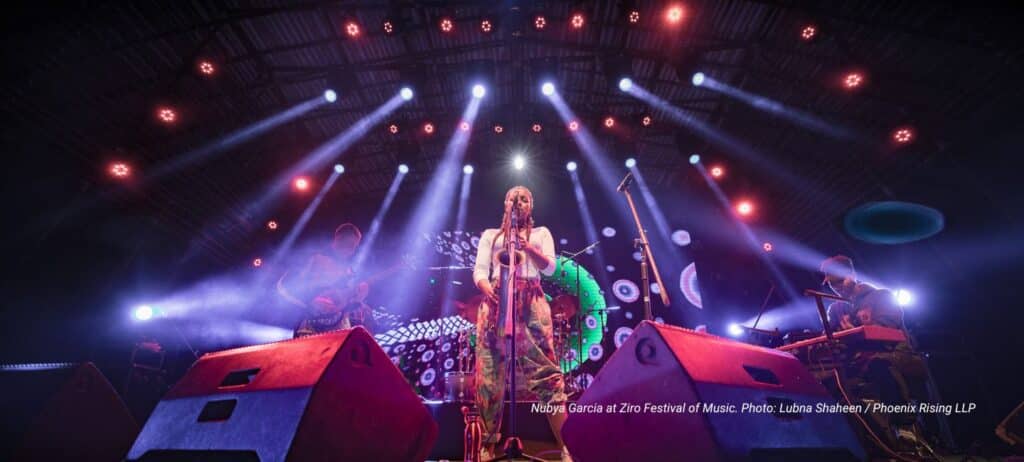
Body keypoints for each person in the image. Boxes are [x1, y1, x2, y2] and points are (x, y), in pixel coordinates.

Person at [473, 186, 570, 461]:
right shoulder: (491, 236)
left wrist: (527, 247)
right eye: (513, 198)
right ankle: (488, 446)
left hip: (531, 303)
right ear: (505, 204)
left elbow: (551, 268)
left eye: (525, 198)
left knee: (546, 374)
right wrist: (486, 288)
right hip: (495, 301)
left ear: (532, 205)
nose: (519, 202)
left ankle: (566, 446)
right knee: (489, 377)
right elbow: (480, 270)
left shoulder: (541, 234)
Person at [277, 223, 374, 337]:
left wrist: (359, 303)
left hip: (338, 333)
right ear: (338, 238)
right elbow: (284, 285)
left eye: (354, 246)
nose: (351, 250)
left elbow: (344, 306)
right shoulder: (314, 258)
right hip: (309, 328)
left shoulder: (350, 271)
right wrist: (309, 303)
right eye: (349, 244)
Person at [820, 255, 903, 332]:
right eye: (832, 283)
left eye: (840, 281)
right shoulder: (836, 309)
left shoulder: (883, 296)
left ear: (852, 275)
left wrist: (856, 333)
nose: (836, 287)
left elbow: (888, 331)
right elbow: (829, 337)